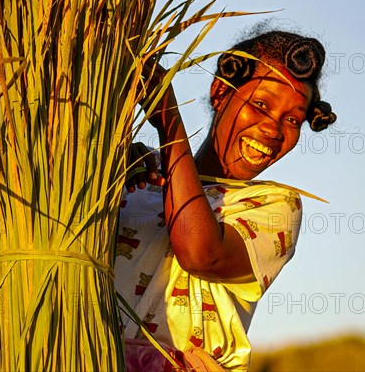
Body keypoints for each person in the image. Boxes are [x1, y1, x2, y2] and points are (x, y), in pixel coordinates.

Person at [115, 29, 337, 371]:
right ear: (220, 92)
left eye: (292, 120)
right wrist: (117, 171)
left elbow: (201, 255)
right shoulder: (138, 171)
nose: (273, 130)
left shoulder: (275, 207)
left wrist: (169, 121)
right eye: (260, 105)